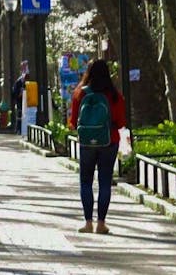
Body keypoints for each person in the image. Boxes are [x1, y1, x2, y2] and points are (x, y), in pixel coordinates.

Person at [69, 59, 128, 235]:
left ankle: (88, 222)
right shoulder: (114, 95)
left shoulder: (80, 93)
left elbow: (73, 121)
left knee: (86, 182)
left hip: (87, 143)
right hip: (109, 141)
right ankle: (101, 223)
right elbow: (121, 122)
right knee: (105, 182)